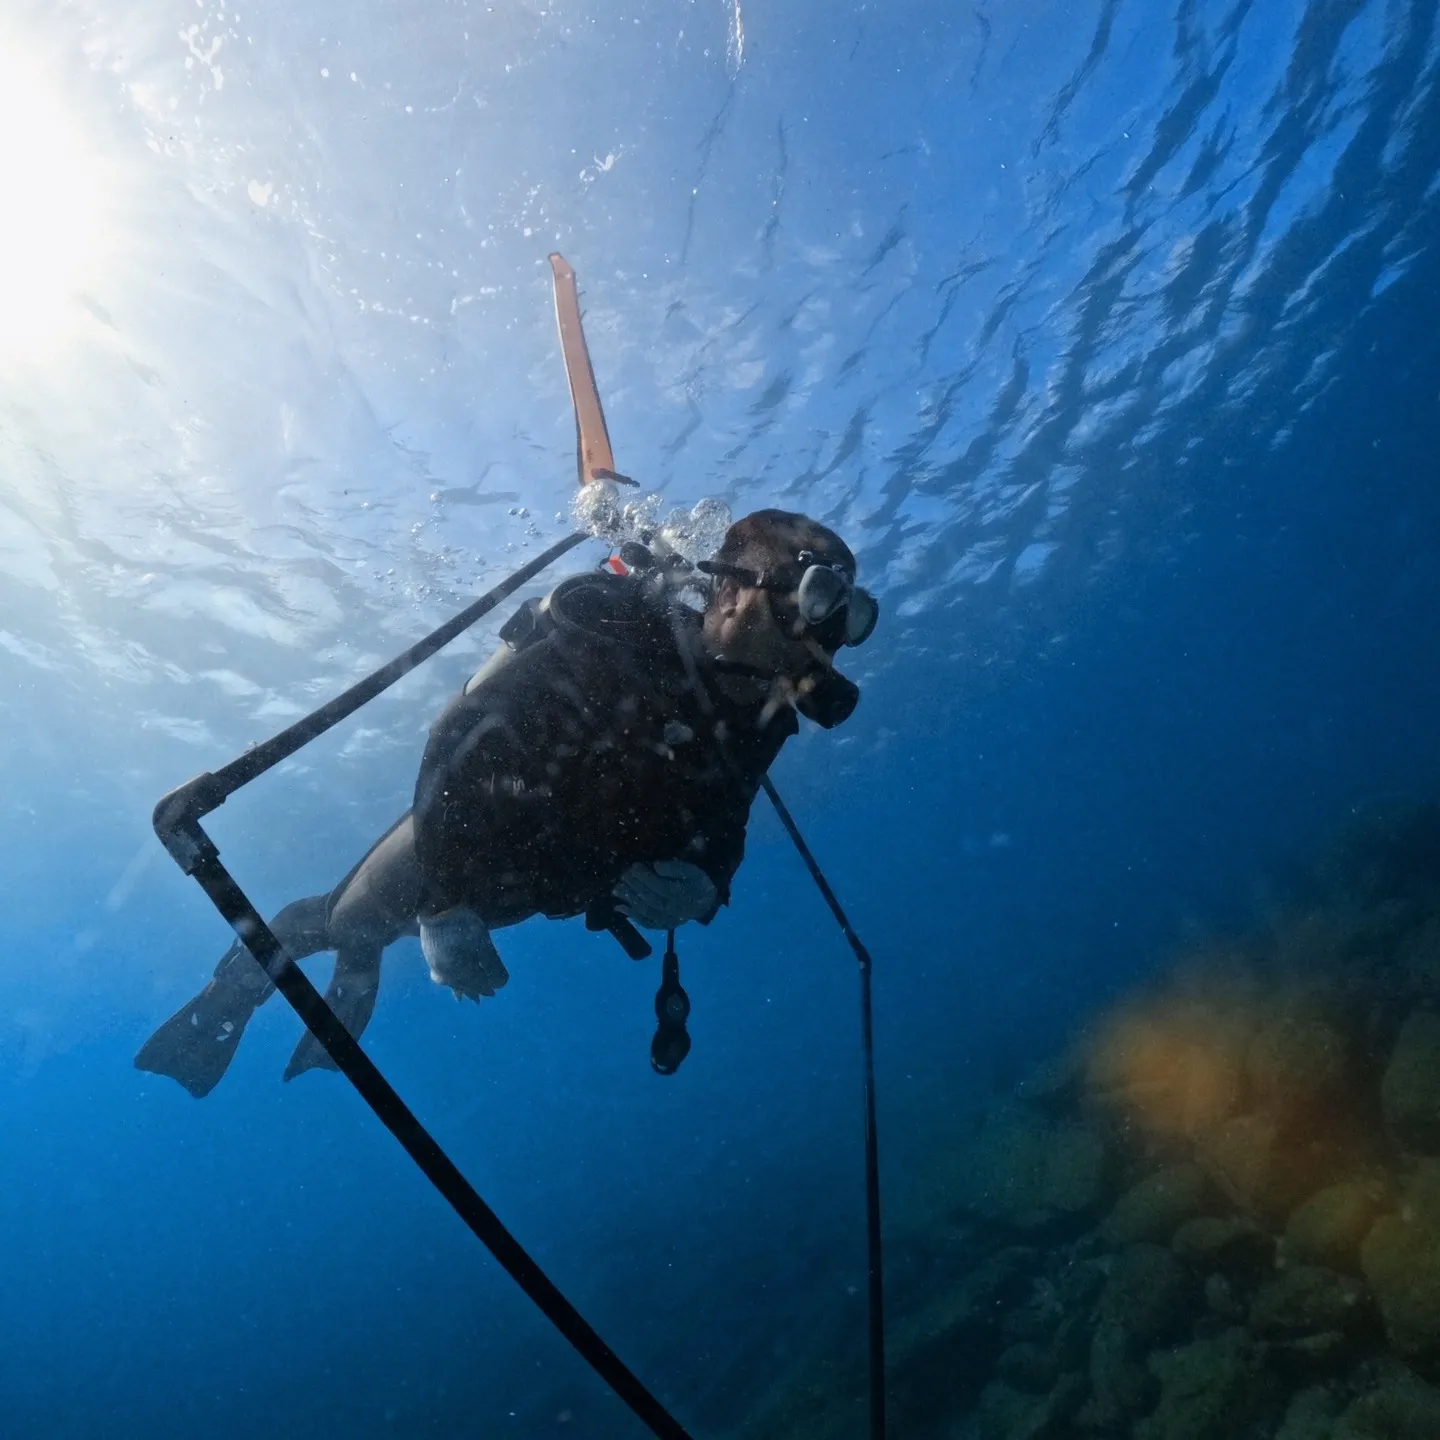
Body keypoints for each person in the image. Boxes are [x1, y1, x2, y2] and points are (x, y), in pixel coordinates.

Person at [136, 508, 878, 1097]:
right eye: (816, 600)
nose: (823, 640)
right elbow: (457, 743)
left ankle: (357, 970)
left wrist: (708, 885)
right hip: (456, 845)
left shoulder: (763, 716)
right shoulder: (613, 635)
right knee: (348, 921)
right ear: (729, 590)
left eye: (847, 618)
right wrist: (448, 904)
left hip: (555, 878)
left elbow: (730, 817)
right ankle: (223, 1007)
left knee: (367, 935)